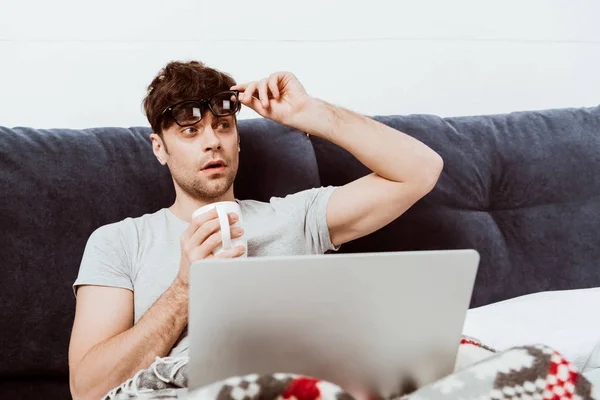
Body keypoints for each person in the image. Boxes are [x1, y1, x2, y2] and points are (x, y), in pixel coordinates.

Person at [67, 60, 443, 400]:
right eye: (190, 131)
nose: (212, 141)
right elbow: (87, 390)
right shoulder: (119, 240)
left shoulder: (295, 217)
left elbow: (421, 171)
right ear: (159, 148)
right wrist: (185, 288)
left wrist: (311, 113)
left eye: (223, 126)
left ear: (237, 139)